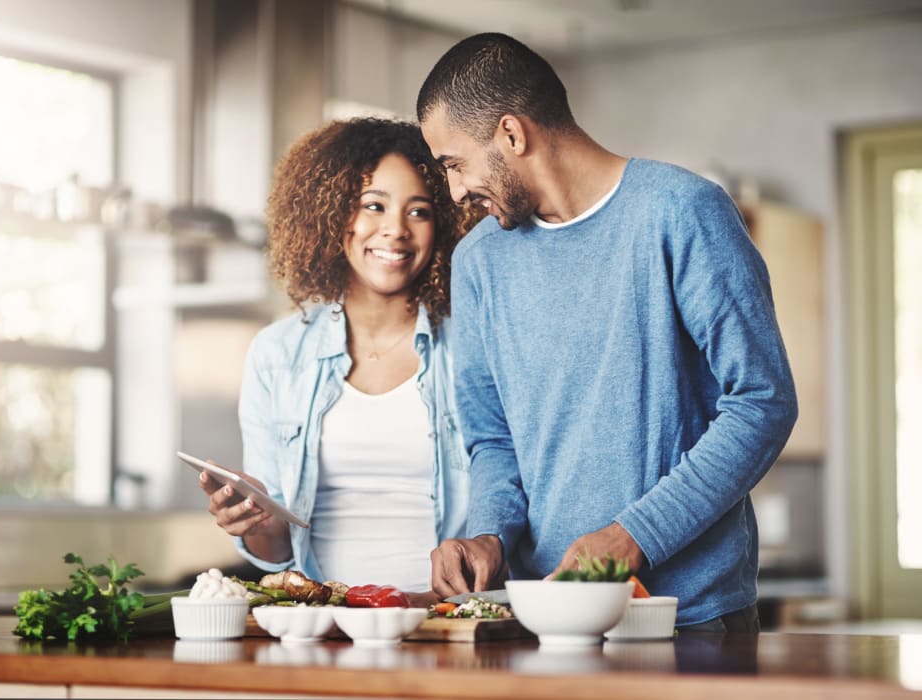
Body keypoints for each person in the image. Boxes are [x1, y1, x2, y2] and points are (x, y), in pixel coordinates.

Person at [416, 33, 798, 631]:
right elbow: (492, 439)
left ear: (513, 135)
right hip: (542, 615)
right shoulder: (478, 262)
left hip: (688, 618)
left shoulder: (682, 212)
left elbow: (763, 401)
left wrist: (633, 537)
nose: (456, 191)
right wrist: (488, 532)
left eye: (454, 164)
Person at [198, 118, 478, 602]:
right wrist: (253, 520)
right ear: (330, 216)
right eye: (374, 206)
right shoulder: (277, 355)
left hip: (445, 623)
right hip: (324, 625)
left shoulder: (474, 344)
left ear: (444, 226)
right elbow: (278, 553)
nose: (395, 230)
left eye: (420, 212)